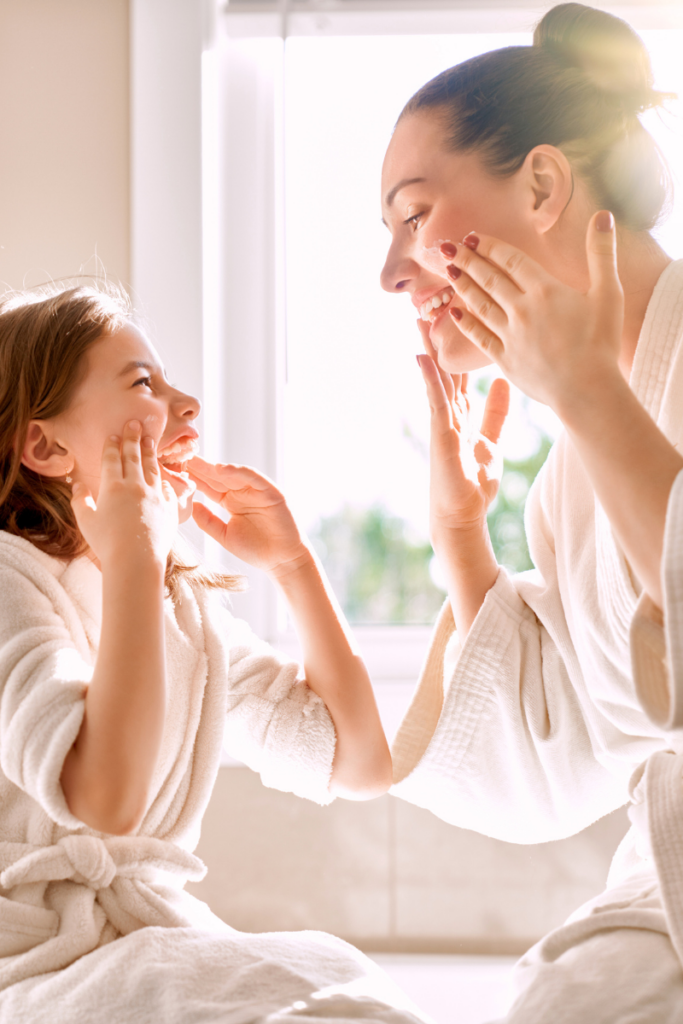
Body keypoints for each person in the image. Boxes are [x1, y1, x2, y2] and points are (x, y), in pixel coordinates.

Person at [0, 282, 421, 1024]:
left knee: (335, 974)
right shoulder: (11, 580)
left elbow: (358, 764)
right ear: (46, 446)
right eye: (143, 383)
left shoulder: (177, 611)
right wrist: (134, 558)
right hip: (27, 967)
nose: (188, 404)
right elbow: (106, 799)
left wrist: (294, 565)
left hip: (144, 936)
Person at [381, 3, 683, 1021]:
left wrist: (590, 397)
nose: (390, 273)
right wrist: (461, 534)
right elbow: (566, 748)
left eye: (412, 217)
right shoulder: (566, 473)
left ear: (543, 184)